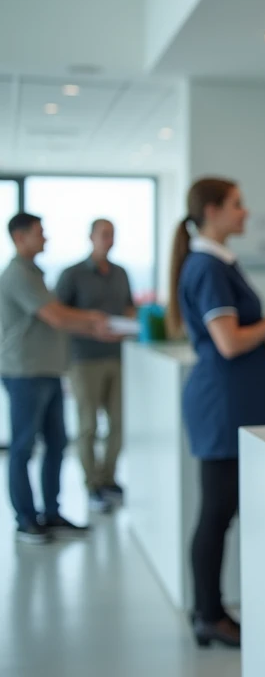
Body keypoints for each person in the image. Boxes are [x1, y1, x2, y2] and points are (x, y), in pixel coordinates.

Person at [167, 178, 265, 649]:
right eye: (238, 205)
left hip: (233, 402)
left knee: (224, 510)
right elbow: (229, 340)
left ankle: (212, 611)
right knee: (217, 512)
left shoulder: (216, 263)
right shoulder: (207, 267)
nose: (246, 212)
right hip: (222, 405)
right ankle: (209, 614)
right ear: (214, 210)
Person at [1, 213, 116, 544]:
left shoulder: (35, 274)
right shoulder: (17, 275)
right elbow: (55, 315)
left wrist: (93, 326)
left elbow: (58, 316)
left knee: (56, 444)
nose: (45, 238)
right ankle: (26, 520)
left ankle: (51, 513)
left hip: (48, 371)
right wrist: (94, 319)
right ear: (20, 237)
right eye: (39, 233)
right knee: (23, 447)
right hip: (25, 372)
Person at [56, 219, 137, 513]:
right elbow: (59, 315)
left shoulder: (121, 274)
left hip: (117, 355)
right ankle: (91, 485)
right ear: (91, 237)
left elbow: (129, 306)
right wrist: (90, 326)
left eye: (112, 234)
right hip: (84, 358)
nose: (108, 239)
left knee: (118, 423)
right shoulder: (73, 274)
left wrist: (131, 321)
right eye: (103, 234)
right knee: (88, 424)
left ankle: (108, 479)